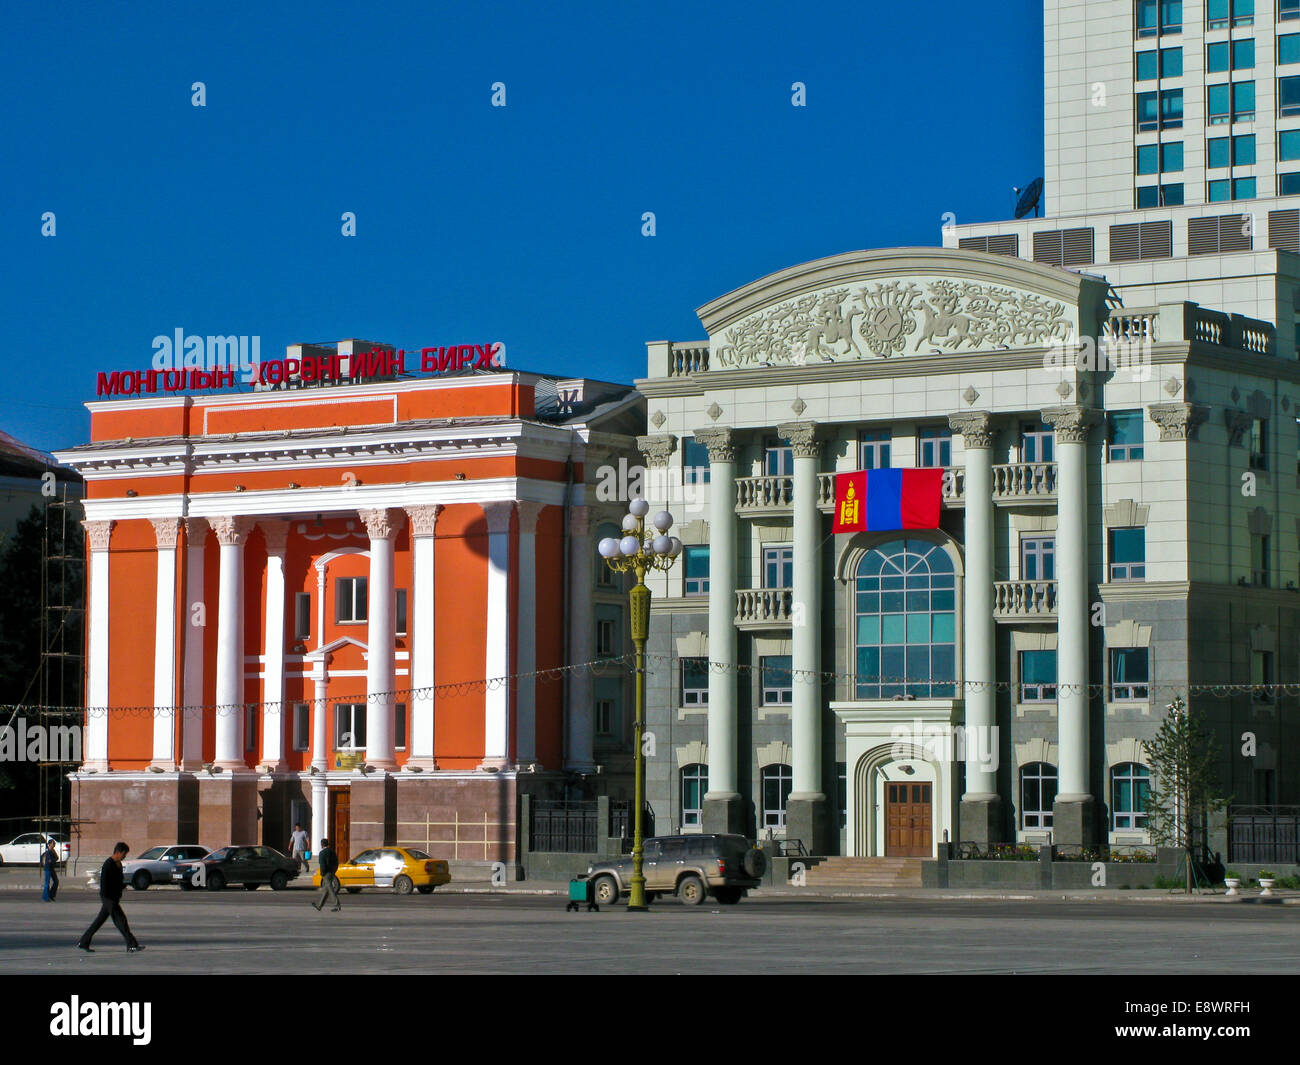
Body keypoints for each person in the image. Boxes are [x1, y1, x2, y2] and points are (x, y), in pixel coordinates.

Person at [76, 842, 143, 953]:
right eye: (124, 854)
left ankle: (83, 942)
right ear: (118, 852)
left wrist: (123, 886)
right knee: (121, 921)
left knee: (99, 921)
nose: (124, 856)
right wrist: (108, 899)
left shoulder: (118, 864)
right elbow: (104, 883)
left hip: (114, 898)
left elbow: (119, 880)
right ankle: (132, 944)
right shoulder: (108, 864)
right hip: (108, 898)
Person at [313, 838, 340, 912]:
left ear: (322, 844)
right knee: (326, 889)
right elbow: (336, 862)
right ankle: (319, 906)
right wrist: (334, 871)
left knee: (330, 888)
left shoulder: (322, 853)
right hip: (332, 871)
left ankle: (337, 905)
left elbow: (322, 864)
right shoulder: (332, 851)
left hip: (326, 873)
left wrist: (322, 873)